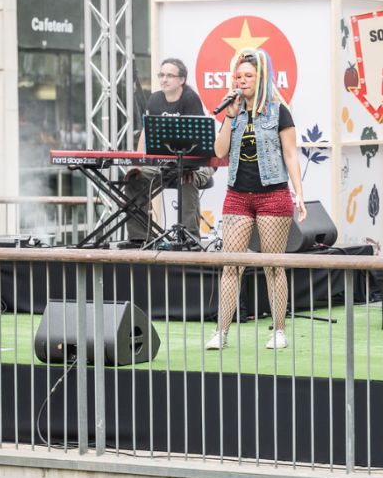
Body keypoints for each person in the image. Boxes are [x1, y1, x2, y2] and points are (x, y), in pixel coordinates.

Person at [205, 48, 307, 351]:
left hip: (272, 194)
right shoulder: (234, 111)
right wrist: (229, 117)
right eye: (239, 76)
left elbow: (290, 154)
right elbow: (220, 151)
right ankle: (221, 332)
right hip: (237, 195)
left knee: (273, 265)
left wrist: (299, 192)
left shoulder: (279, 111)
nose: (242, 81)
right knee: (231, 264)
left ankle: (278, 330)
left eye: (249, 76)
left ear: (262, 79)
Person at [124, 58, 213, 244]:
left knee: (186, 177)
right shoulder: (154, 99)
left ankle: (190, 238)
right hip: (166, 164)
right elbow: (145, 134)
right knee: (134, 178)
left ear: (182, 80)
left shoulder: (190, 98)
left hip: (197, 164)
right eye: (161, 75)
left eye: (169, 75)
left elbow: (199, 141)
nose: (164, 79)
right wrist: (139, 163)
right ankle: (139, 237)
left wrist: (189, 165)